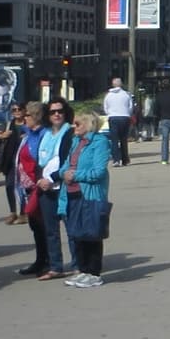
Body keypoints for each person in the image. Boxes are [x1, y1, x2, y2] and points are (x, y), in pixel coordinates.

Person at [57, 111, 112, 288]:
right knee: (77, 233)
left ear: (88, 124)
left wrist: (75, 175)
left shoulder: (100, 142)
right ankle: (83, 270)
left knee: (92, 233)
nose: (74, 127)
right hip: (71, 193)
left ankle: (94, 273)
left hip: (89, 194)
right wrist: (64, 173)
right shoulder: (75, 142)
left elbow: (99, 171)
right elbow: (66, 165)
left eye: (78, 123)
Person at [34, 99, 75, 278]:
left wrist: (52, 178)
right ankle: (56, 267)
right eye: (52, 112)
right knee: (50, 230)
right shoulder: (45, 135)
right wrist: (39, 179)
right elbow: (39, 162)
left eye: (60, 111)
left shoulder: (70, 133)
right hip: (45, 188)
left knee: (71, 228)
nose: (57, 114)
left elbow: (69, 161)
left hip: (63, 186)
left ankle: (77, 265)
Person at [14, 102, 48, 277]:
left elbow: (42, 159)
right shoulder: (27, 135)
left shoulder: (44, 135)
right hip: (27, 187)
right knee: (35, 226)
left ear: (36, 116)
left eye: (26, 114)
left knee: (43, 226)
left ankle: (48, 261)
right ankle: (40, 260)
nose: (23, 117)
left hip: (39, 186)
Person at [0, 102, 27, 223]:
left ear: (24, 110)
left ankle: (23, 213)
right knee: (9, 185)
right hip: (10, 160)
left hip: (24, 161)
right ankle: (13, 212)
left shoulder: (27, 124)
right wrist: (2, 136)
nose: (17, 112)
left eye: (19, 109)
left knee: (22, 186)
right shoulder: (8, 124)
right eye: (14, 110)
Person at [102, 76, 134, 166]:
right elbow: (130, 107)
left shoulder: (108, 95)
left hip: (113, 118)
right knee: (124, 139)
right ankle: (125, 159)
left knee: (114, 140)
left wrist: (110, 113)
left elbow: (105, 107)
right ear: (121, 84)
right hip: (124, 117)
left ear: (113, 84)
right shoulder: (126, 94)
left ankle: (116, 160)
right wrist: (128, 114)